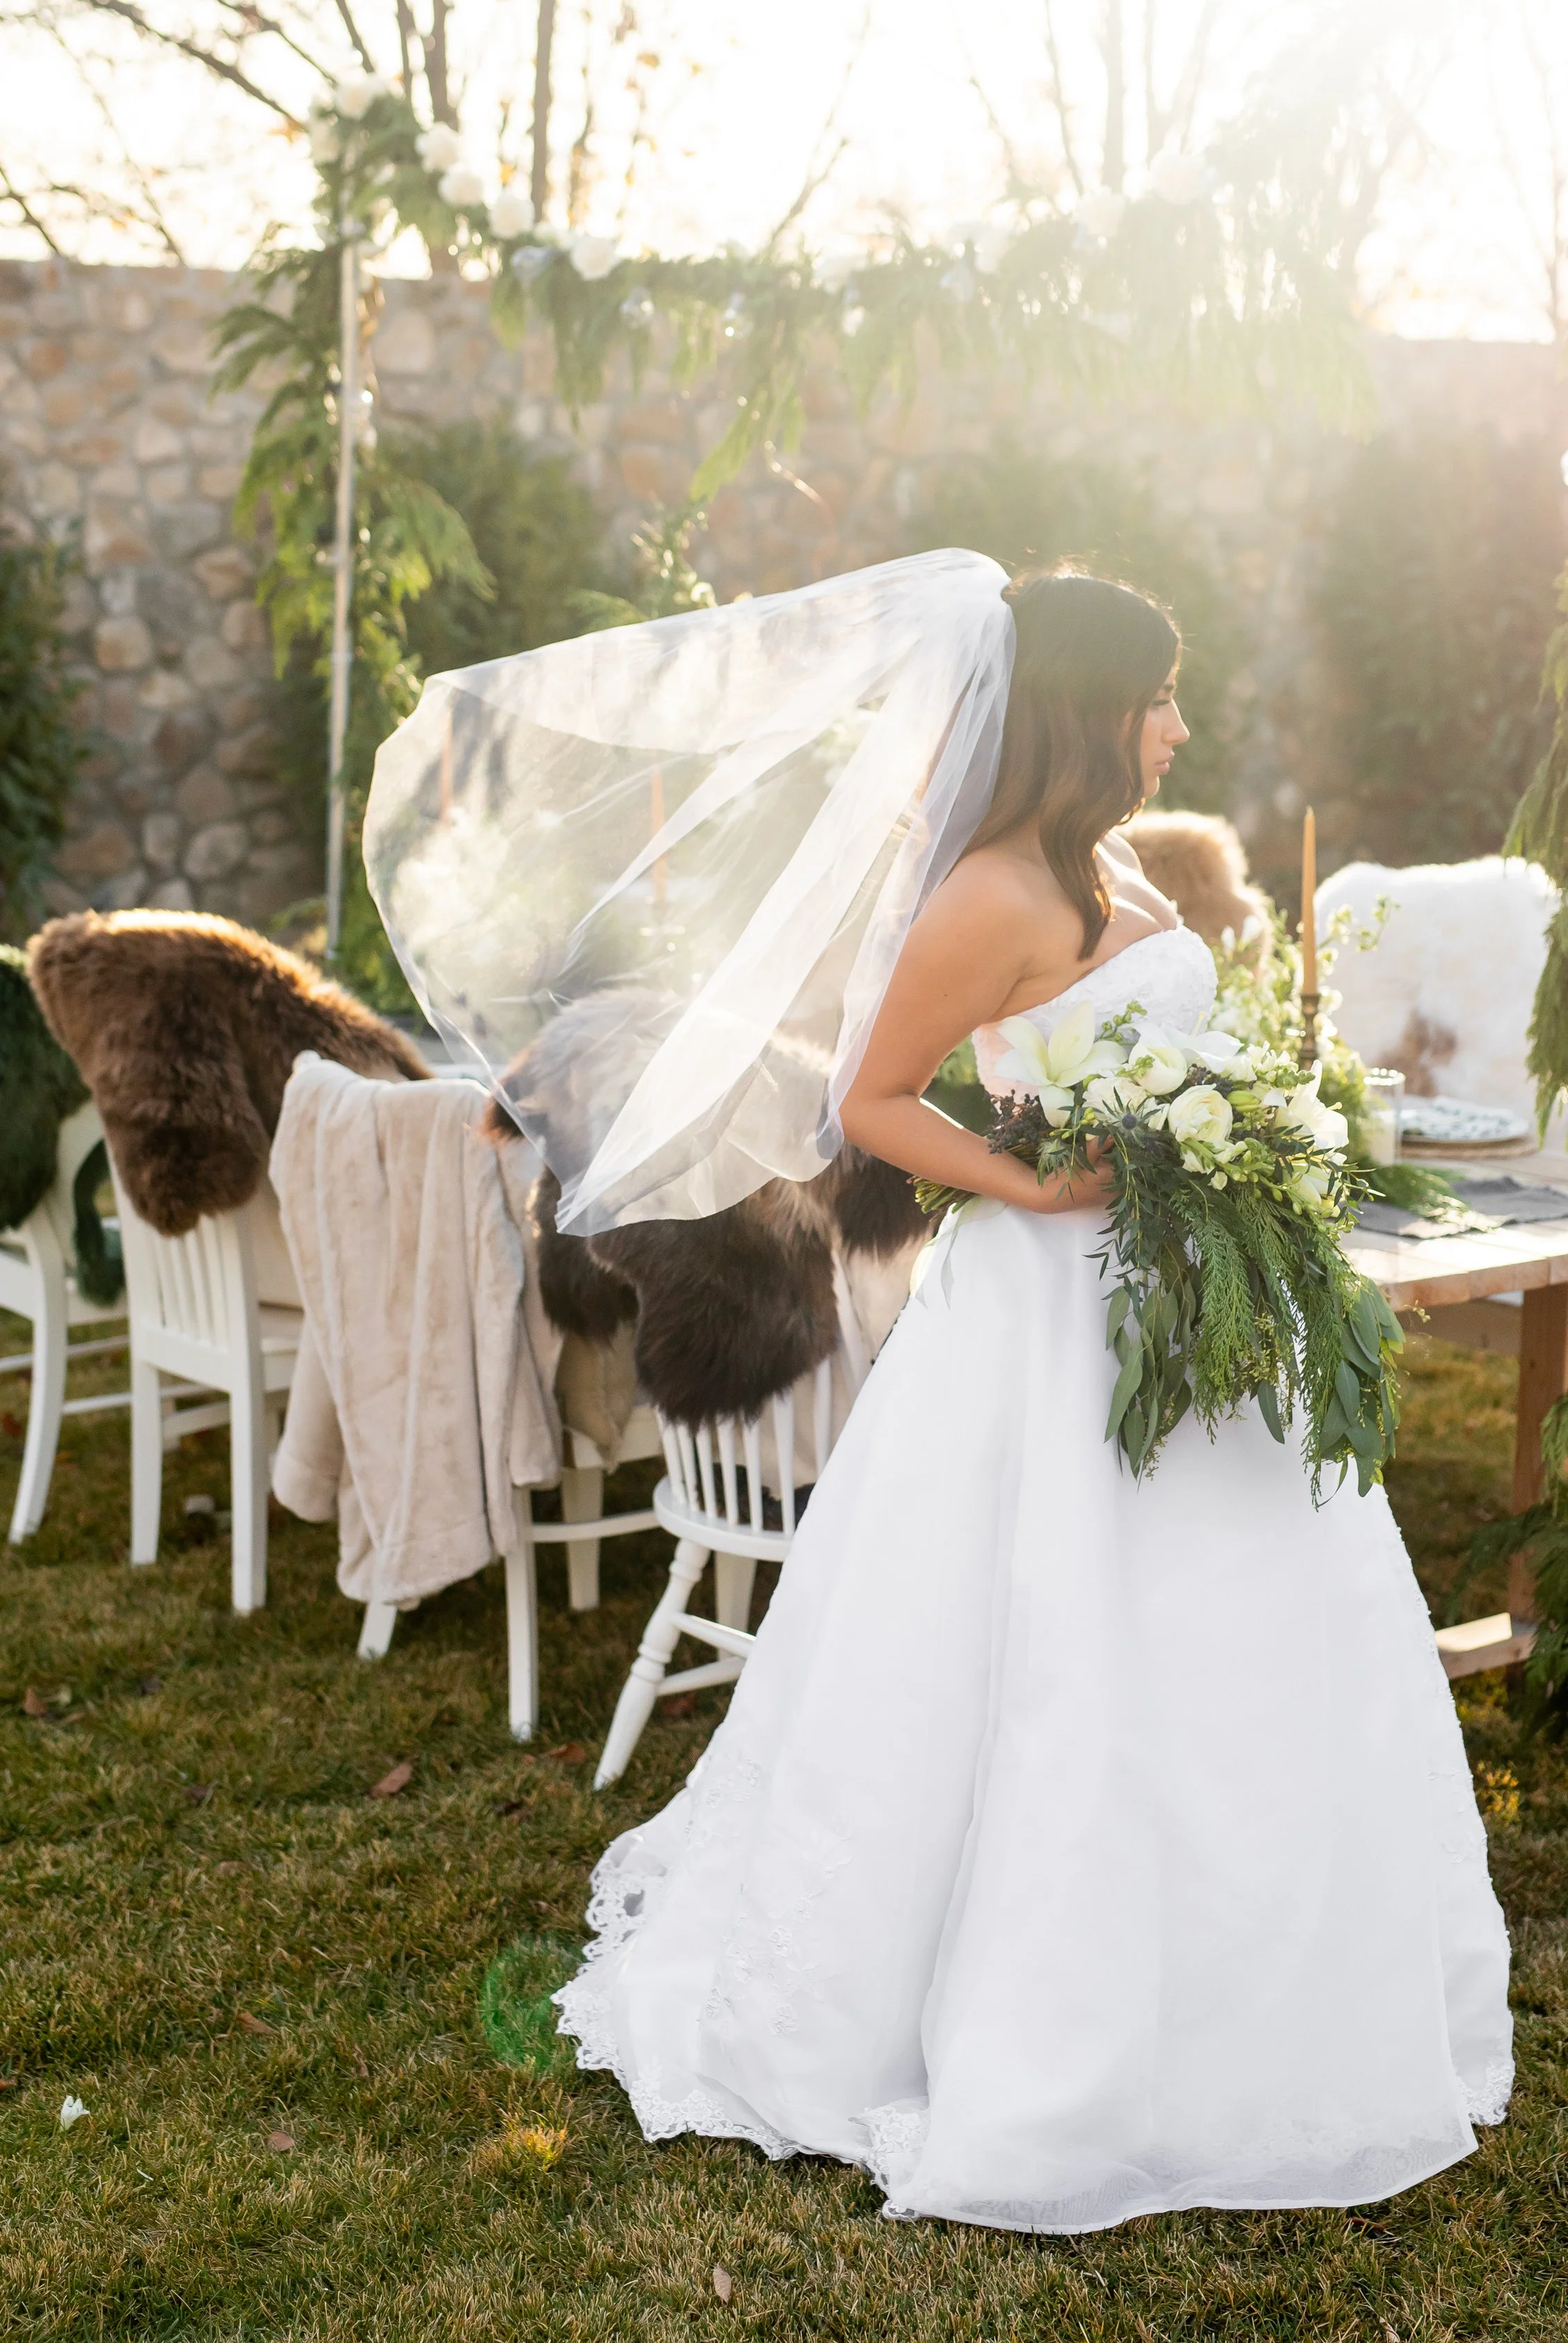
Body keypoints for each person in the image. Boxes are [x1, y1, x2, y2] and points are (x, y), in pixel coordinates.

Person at [527, 566, 1513, 2231]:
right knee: (1055, 1649)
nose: (1180, 724)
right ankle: (1039, 2025)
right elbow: (874, 1099)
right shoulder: (992, 894)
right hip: (1050, 1325)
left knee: (1237, 1635)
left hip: (1179, 1310)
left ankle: (1264, 1983)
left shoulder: (1103, 862)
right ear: (1079, 713)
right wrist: (1035, 1186)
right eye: (1157, 696)